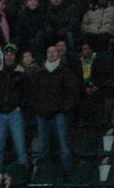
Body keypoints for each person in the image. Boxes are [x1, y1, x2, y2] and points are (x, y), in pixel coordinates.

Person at [31, 44, 79, 178]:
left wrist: (64, 109)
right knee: (43, 149)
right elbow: (33, 94)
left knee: (64, 148)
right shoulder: (40, 74)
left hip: (59, 114)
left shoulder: (66, 72)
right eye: (49, 51)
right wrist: (38, 109)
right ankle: (42, 176)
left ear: (59, 55)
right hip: (42, 115)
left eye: (54, 52)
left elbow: (72, 93)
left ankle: (68, 177)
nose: (51, 54)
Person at [0, 44, 30, 175]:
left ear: (15, 56)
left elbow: (27, 93)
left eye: (11, 54)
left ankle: (23, 174)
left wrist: (19, 106)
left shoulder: (21, 73)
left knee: (20, 148)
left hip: (15, 113)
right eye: (7, 54)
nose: (9, 56)